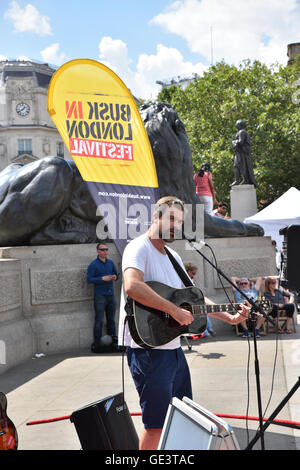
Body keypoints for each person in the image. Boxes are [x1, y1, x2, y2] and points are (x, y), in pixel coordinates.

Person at [118, 196, 249, 450]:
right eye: (170, 219)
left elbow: (196, 298)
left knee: (179, 418)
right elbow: (132, 286)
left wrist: (231, 315)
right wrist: (173, 310)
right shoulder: (138, 247)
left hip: (173, 351)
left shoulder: (174, 257)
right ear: (155, 217)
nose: (174, 227)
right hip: (149, 352)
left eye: (178, 222)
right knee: (155, 425)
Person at [87, 242, 118, 349]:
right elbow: (89, 279)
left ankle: (113, 343)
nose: (105, 251)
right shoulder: (93, 265)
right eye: (102, 250)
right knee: (99, 320)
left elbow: (117, 275)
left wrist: (115, 277)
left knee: (111, 320)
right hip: (100, 296)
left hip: (110, 295)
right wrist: (101, 279)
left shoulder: (110, 263)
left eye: (106, 249)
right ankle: (97, 344)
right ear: (98, 251)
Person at [184, 262, 215, 337]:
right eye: (193, 273)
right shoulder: (183, 278)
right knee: (201, 312)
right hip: (186, 302)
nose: (194, 275)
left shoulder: (191, 278)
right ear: (188, 271)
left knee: (204, 311)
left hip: (192, 300)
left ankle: (209, 330)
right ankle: (206, 332)